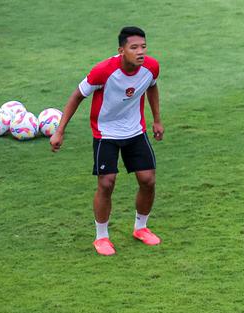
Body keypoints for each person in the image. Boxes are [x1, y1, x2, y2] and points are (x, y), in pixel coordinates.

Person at [50, 26, 164, 257]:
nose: (140, 52)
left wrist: (157, 120)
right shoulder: (103, 71)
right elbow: (77, 96)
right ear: (121, 50)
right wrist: (59, 131)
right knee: (106, 183)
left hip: (135, 131)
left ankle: (140, 228)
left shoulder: (151, 67)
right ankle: (101, 237)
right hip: (106, 134)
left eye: (143, 47)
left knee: (148, 180)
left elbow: (151, 87)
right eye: (134, 48)